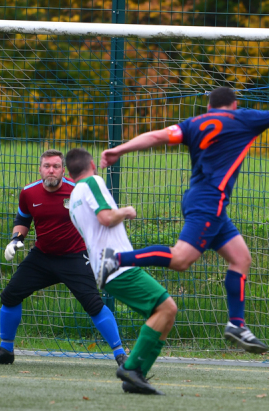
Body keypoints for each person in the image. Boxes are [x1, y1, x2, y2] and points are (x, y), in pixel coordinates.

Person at [98, 87, 269, 354]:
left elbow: (156, 136)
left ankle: (237, 324)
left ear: (209, 107)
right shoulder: (242, 119)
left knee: (241, 258)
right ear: (234, 104)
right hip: (209, 202)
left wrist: (119, 150)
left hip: (205, 201)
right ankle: (116, 259)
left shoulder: (194, 123)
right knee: (181, 259)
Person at [0, 149, 127, 366]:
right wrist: (16, 239)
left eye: (56, 166)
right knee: (10, 296)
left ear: (63, 170)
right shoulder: (28, 193)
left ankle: (121, 355)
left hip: (75, 256)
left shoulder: (78, 191)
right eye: (47, 166)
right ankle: (6, 351)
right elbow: (23, 219)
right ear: (40, 169)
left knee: (94, 304)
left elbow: (102, 216)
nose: (51, 170)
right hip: (43, 256)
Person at [66, 148, 177, 395]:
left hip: (106, 268)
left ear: (68, 172)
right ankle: (131, 368)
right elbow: (106, 217)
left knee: (163, 313)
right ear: (92, 165)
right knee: (167, 308)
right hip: (116, 265)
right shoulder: (92, 182)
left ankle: (135, 375)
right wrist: (127, 210)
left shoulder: (73, 196)